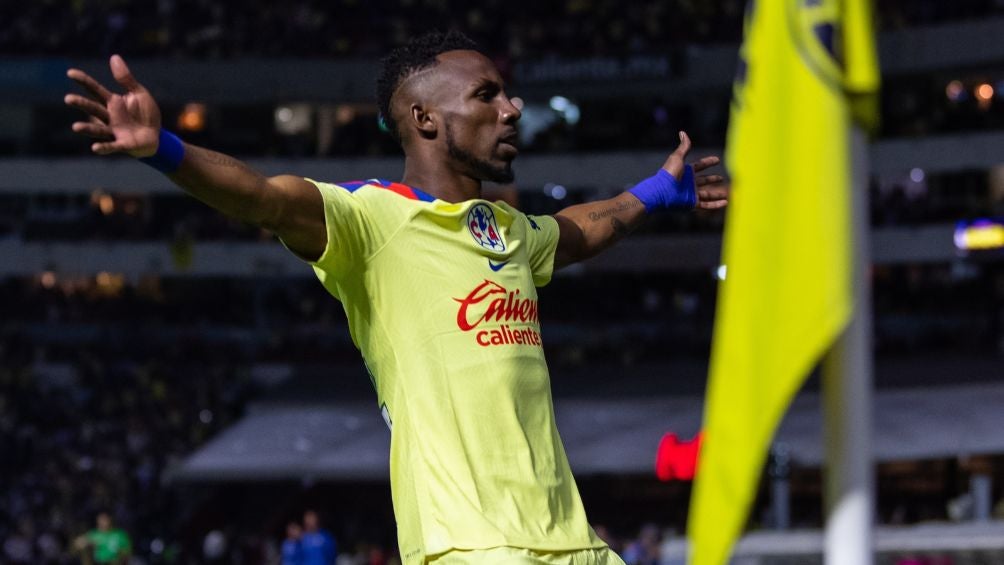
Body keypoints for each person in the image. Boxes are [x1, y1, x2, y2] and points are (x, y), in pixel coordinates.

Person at [64, 30, 727, 565]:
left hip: (574, 541)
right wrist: (165, 149)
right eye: (487, 95)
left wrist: (654, 193)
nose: (512, 108)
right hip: (471, 545)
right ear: (425, 117)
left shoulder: (506, 229)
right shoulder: (372, 218)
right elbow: (264, 198)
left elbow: (579, 231)